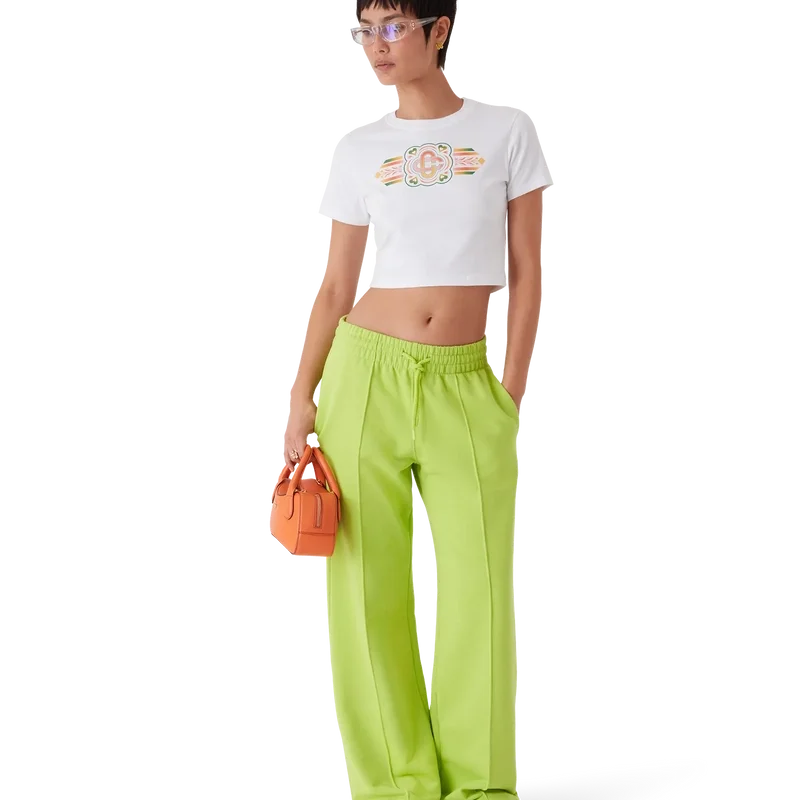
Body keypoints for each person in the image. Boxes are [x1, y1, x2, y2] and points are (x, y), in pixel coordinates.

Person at [284, 1, 549, 797]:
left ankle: (478, 784)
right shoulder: (358, 146)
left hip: (467, 383)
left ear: (439, 31)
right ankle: (394, 786)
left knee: (478, 589)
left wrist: (510, 390)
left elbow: (527, 269)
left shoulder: (508, 130)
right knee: (364, 590)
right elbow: (336, 285)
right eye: (366, 29)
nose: (377, 45)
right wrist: (300, 399)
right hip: (364, 376)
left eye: (395, 26)